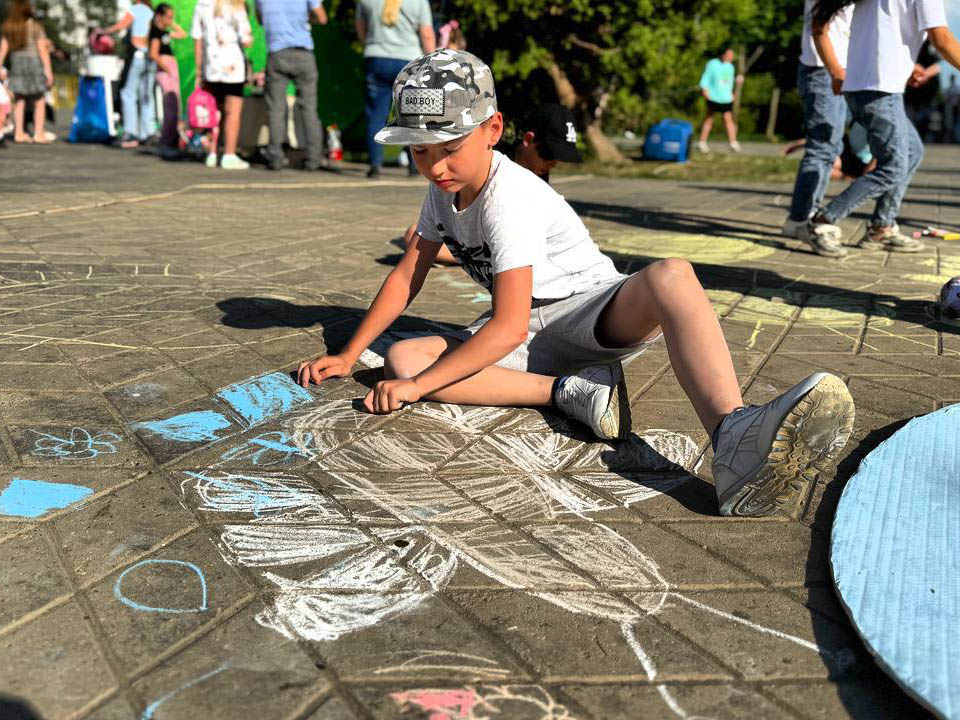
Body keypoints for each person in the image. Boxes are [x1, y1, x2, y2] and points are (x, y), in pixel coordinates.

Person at [297, 49, 857, 519]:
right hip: (533, 337)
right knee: (403, 359)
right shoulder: (442, 189)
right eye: (420, 151)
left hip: (585, 310)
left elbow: (509, 324)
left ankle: (733, 435)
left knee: (672, 276)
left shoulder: (508, 198)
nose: (436, 166)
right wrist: (350, 354)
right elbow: (406, 273)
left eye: (449, 149)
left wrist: (420, 391)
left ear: (493, 130)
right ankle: (574, 392)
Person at [812, 0, 960, 252]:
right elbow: (942, 39)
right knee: (892, 167)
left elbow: (882, 36)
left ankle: (882, 227)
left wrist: (906, 67)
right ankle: (822, 221)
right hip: (879, 89)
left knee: (912, 152)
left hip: (868, 85)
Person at [403, 102, 583, 264]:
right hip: (478, 238)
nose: (552, 163)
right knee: (414, 235)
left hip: (504, 244)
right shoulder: (489, 158)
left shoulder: (538, 178)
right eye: (548, 154)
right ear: (527, 140)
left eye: (558, 158)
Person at [782, 0, 853, 258]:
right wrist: (836, 71)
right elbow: (819, 26)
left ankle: (800, 217)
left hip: (834, 69)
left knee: (830, 146)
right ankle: (802, 219)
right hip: (823, 70)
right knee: (822, 147)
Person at [356, 0, 435, 178]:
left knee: (376, 114)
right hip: (409, 60)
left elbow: (361, 28)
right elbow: (427, 34)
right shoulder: (418, 2)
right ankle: (415, 166)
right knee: (412, 114)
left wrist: (370, 44)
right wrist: (432, 63)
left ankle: (375, 166)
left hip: (376, 57)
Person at [256, 0, 328, 171]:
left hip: (277, 53)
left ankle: (275, 158)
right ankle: (313, 159)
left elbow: (260, 19)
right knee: (309, 108)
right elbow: (323, 18)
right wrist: (305, 19)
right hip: (303, 54)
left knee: (276, 108)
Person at [192, 0, 253, 169]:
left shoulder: (201, 5)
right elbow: (246, 39)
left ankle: (212, 153)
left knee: (215, 111)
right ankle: (229, 154)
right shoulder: (236, 6)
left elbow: (197, 38)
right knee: (232, 112)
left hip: (211, 66)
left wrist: (199, 70)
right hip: (233, 66)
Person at [102, 0, 155, 148]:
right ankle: (148, 132)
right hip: (150, 57)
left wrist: (104, 31)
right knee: (146, 95)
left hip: (138, 55)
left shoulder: (136, 9)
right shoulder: (151, 12)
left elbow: (122, 25)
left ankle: (131, 132)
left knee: (128, 93)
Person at [0, 0, 53, 144]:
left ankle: (18, 133)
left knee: (19, 99)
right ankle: (39, 133)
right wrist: (48, 71)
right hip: (33, 62)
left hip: (17, 62)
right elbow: (42, 50)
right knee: (39, 99)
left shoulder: (9, 27)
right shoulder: (35, 26)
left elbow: (3, 48)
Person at [148, 3, 186, 159]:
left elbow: (183, 34)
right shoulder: (156, 32)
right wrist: (166, 67)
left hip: (170, 66)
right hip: (165, 68)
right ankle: (166, 143)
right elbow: (153, 54)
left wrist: (171, 24)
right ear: (159, 16)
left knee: (176, 106)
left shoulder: (165, 32)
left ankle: (172, 142)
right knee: (170, 107)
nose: (170, 20)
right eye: (168, 17)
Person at [696, 48, 742, 153]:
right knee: (709, 118)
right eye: (729, 55)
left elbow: (728, 82)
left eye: (732, 55)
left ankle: (733, 142)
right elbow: (706, 77)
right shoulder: (712, 63)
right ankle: (702, 142)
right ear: (723, 54)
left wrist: (732, 93)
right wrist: (704, 89)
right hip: (713, 96)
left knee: (728, 119)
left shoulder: (730, 66)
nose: (731, 57)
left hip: (725, 98)